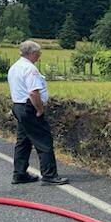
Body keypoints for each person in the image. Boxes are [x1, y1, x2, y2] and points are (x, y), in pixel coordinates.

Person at [7, 40, 68, 185]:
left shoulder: (14, 67)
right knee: (44, 140)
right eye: (38, 53)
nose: (39, 55)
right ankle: (49, 176)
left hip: (18, 106)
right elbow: (33, 93)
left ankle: (19, 174)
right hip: (29, 108)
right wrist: (40, 109)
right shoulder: (30, 69)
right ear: (32, 53)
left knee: (23, 141)